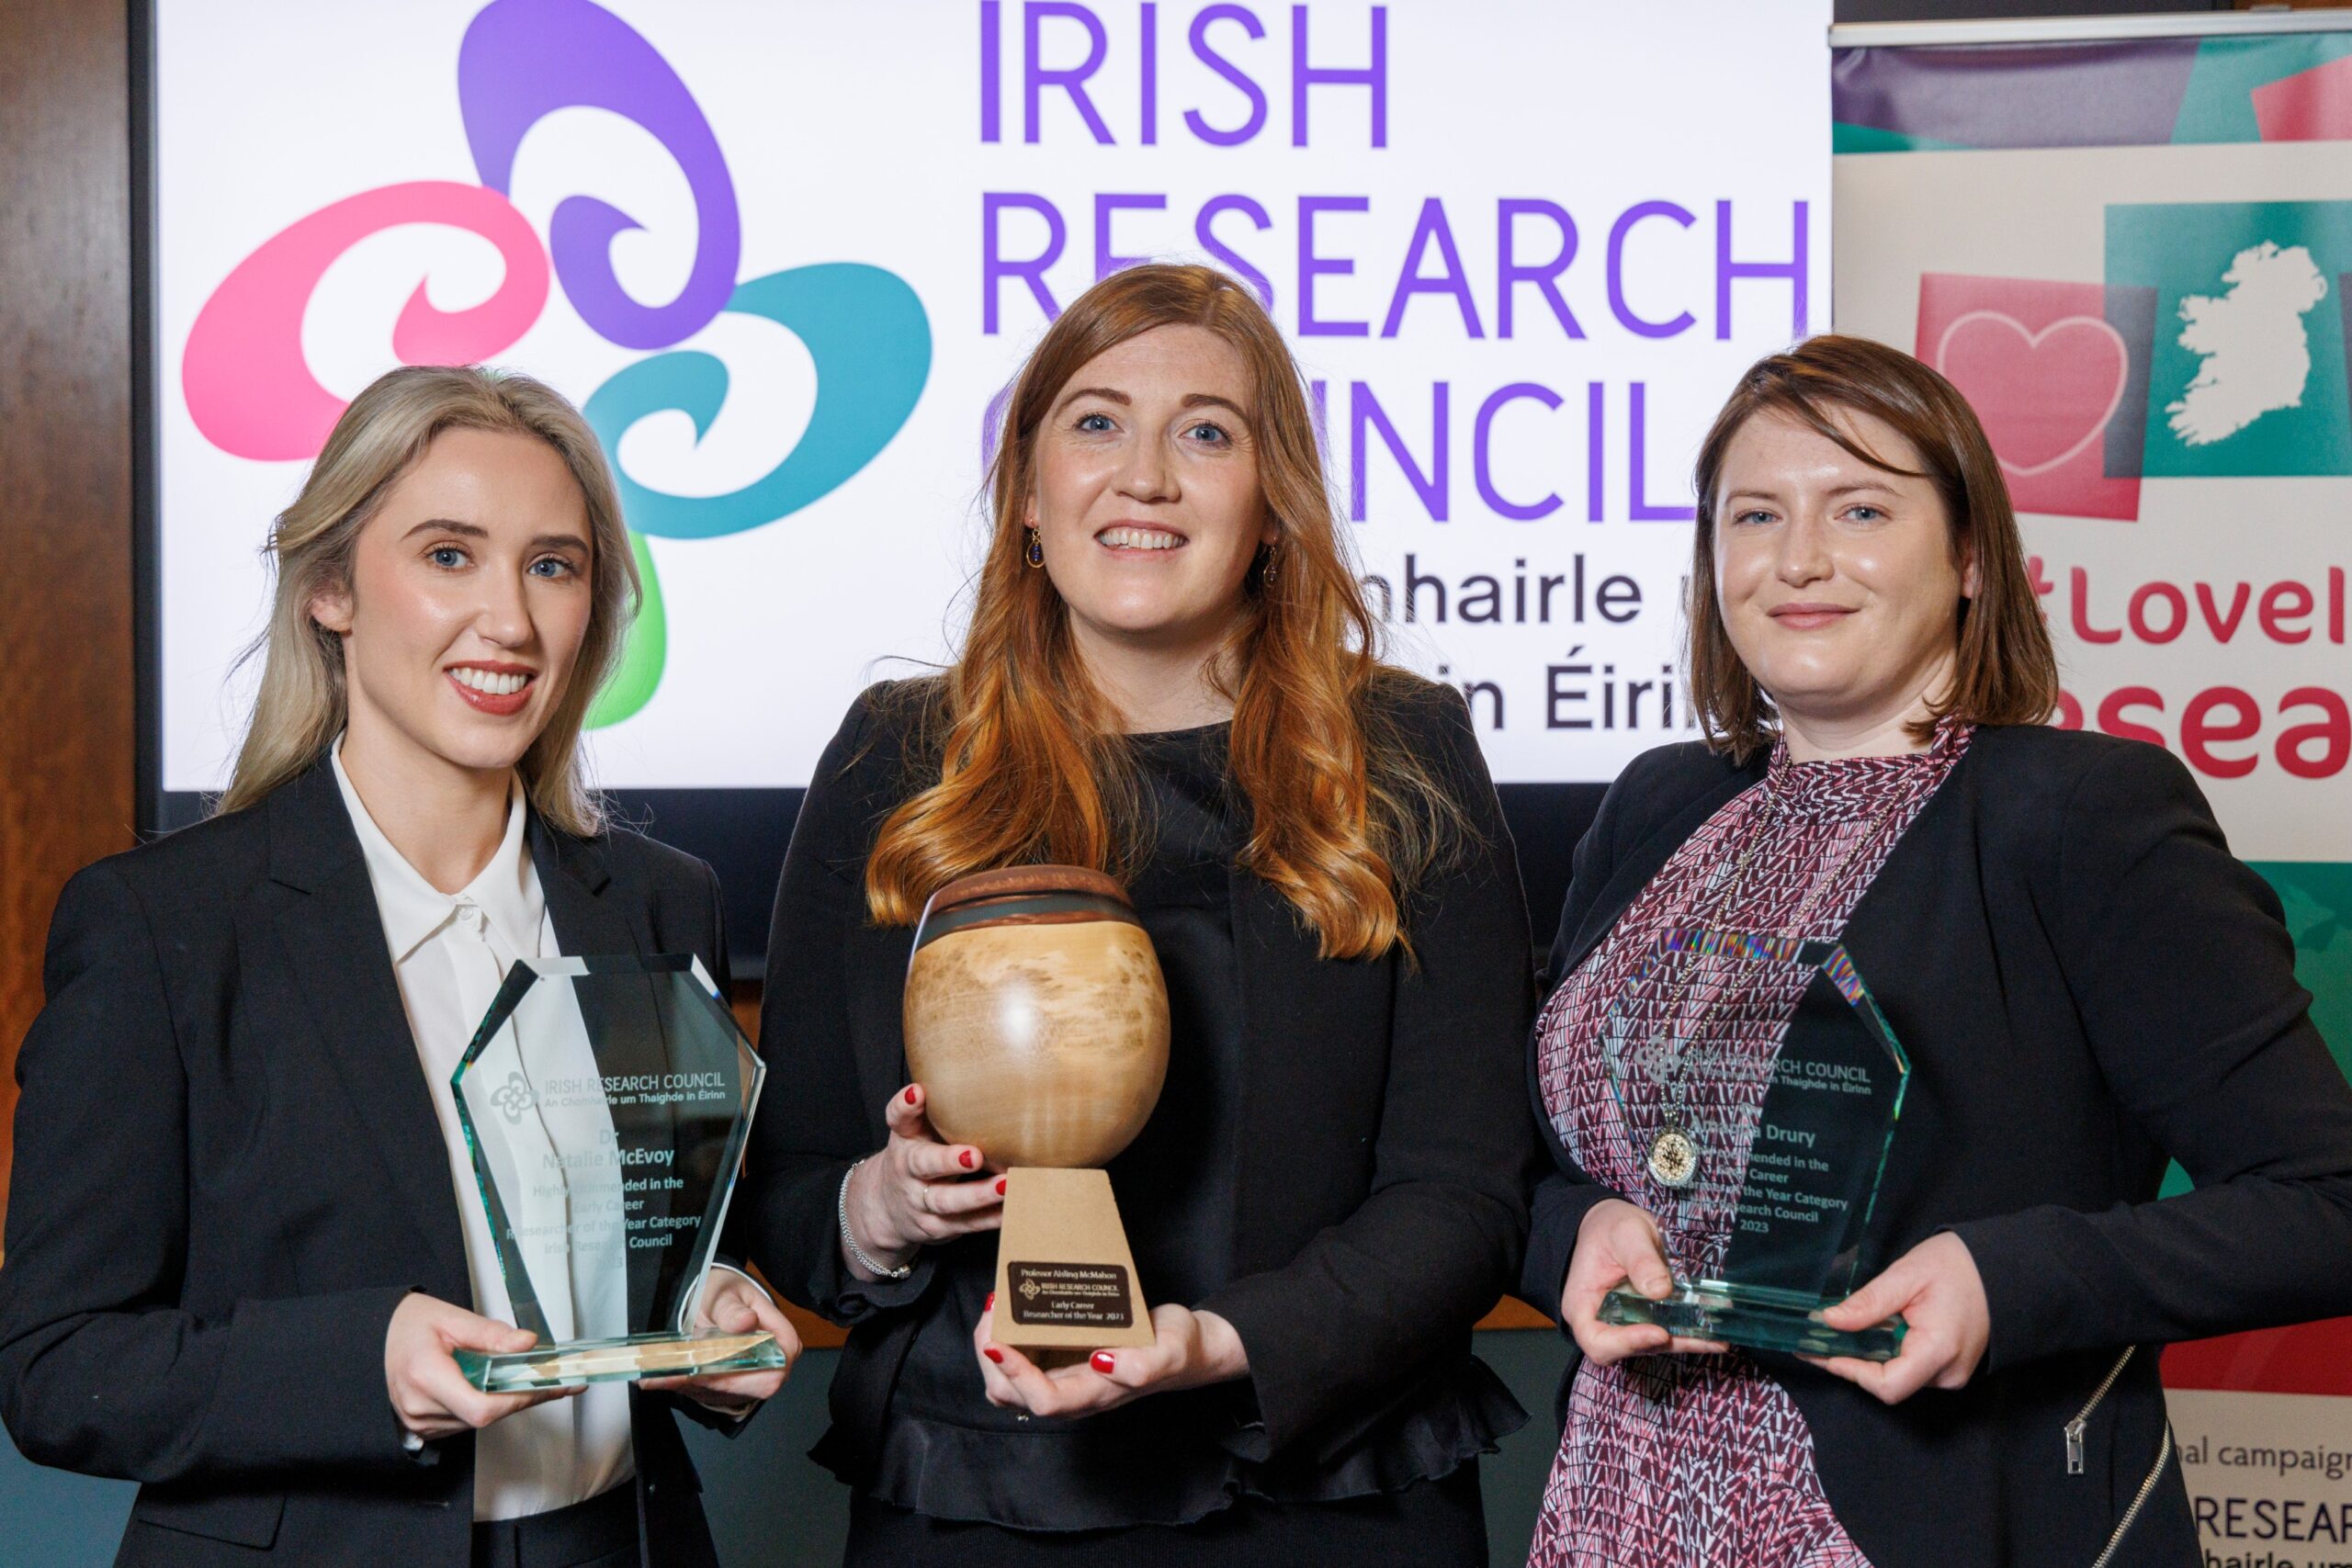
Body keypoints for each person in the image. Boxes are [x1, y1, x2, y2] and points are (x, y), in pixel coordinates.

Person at [719, 263, 1537, 1564]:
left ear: (1272, 506)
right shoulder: (895, 761)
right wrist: (879, 1209)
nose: (1144, 475)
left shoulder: (1404, 753)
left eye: (1206, 432)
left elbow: (1464, 1193)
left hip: (1327, 1502)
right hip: (973, 1498)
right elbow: (788, 1187)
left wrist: (1220, 1344)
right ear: (1029, 498)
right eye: (1095, 422)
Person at [1519, 333, 2352, 1566]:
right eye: (1756, 515)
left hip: (1943, 1513)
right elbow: (1513, 1159)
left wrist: (2006, 1280)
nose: (1798, 559)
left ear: (1970, 558)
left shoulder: (2082, 816)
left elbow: (2325, 1203)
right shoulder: (1656, 805)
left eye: (1860, 508)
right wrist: (1574, 1234)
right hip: (1617, 1513)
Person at [0, 366, 798, 1567]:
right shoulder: (164, 925)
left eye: (553, 564)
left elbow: (656, 1250)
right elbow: (56, 1366)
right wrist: (363, 1364)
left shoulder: (660, 901)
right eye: (447, 556)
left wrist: (706, 1315)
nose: (513, 622)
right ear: (330, 587)